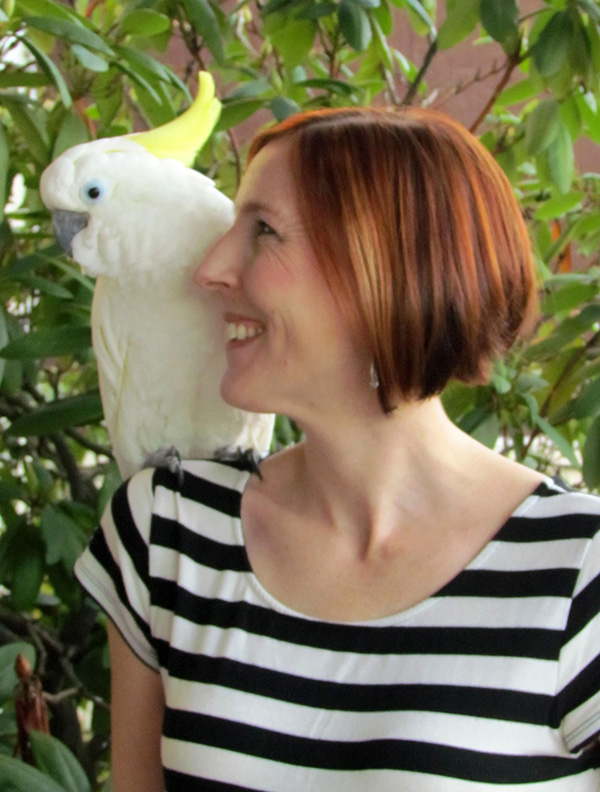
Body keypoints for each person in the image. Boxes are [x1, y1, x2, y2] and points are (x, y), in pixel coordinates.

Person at [75, 106, 600, 791]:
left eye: (263, 231)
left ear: (387, 273)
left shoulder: (578, 573)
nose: (210, 268)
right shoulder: (168, 532)